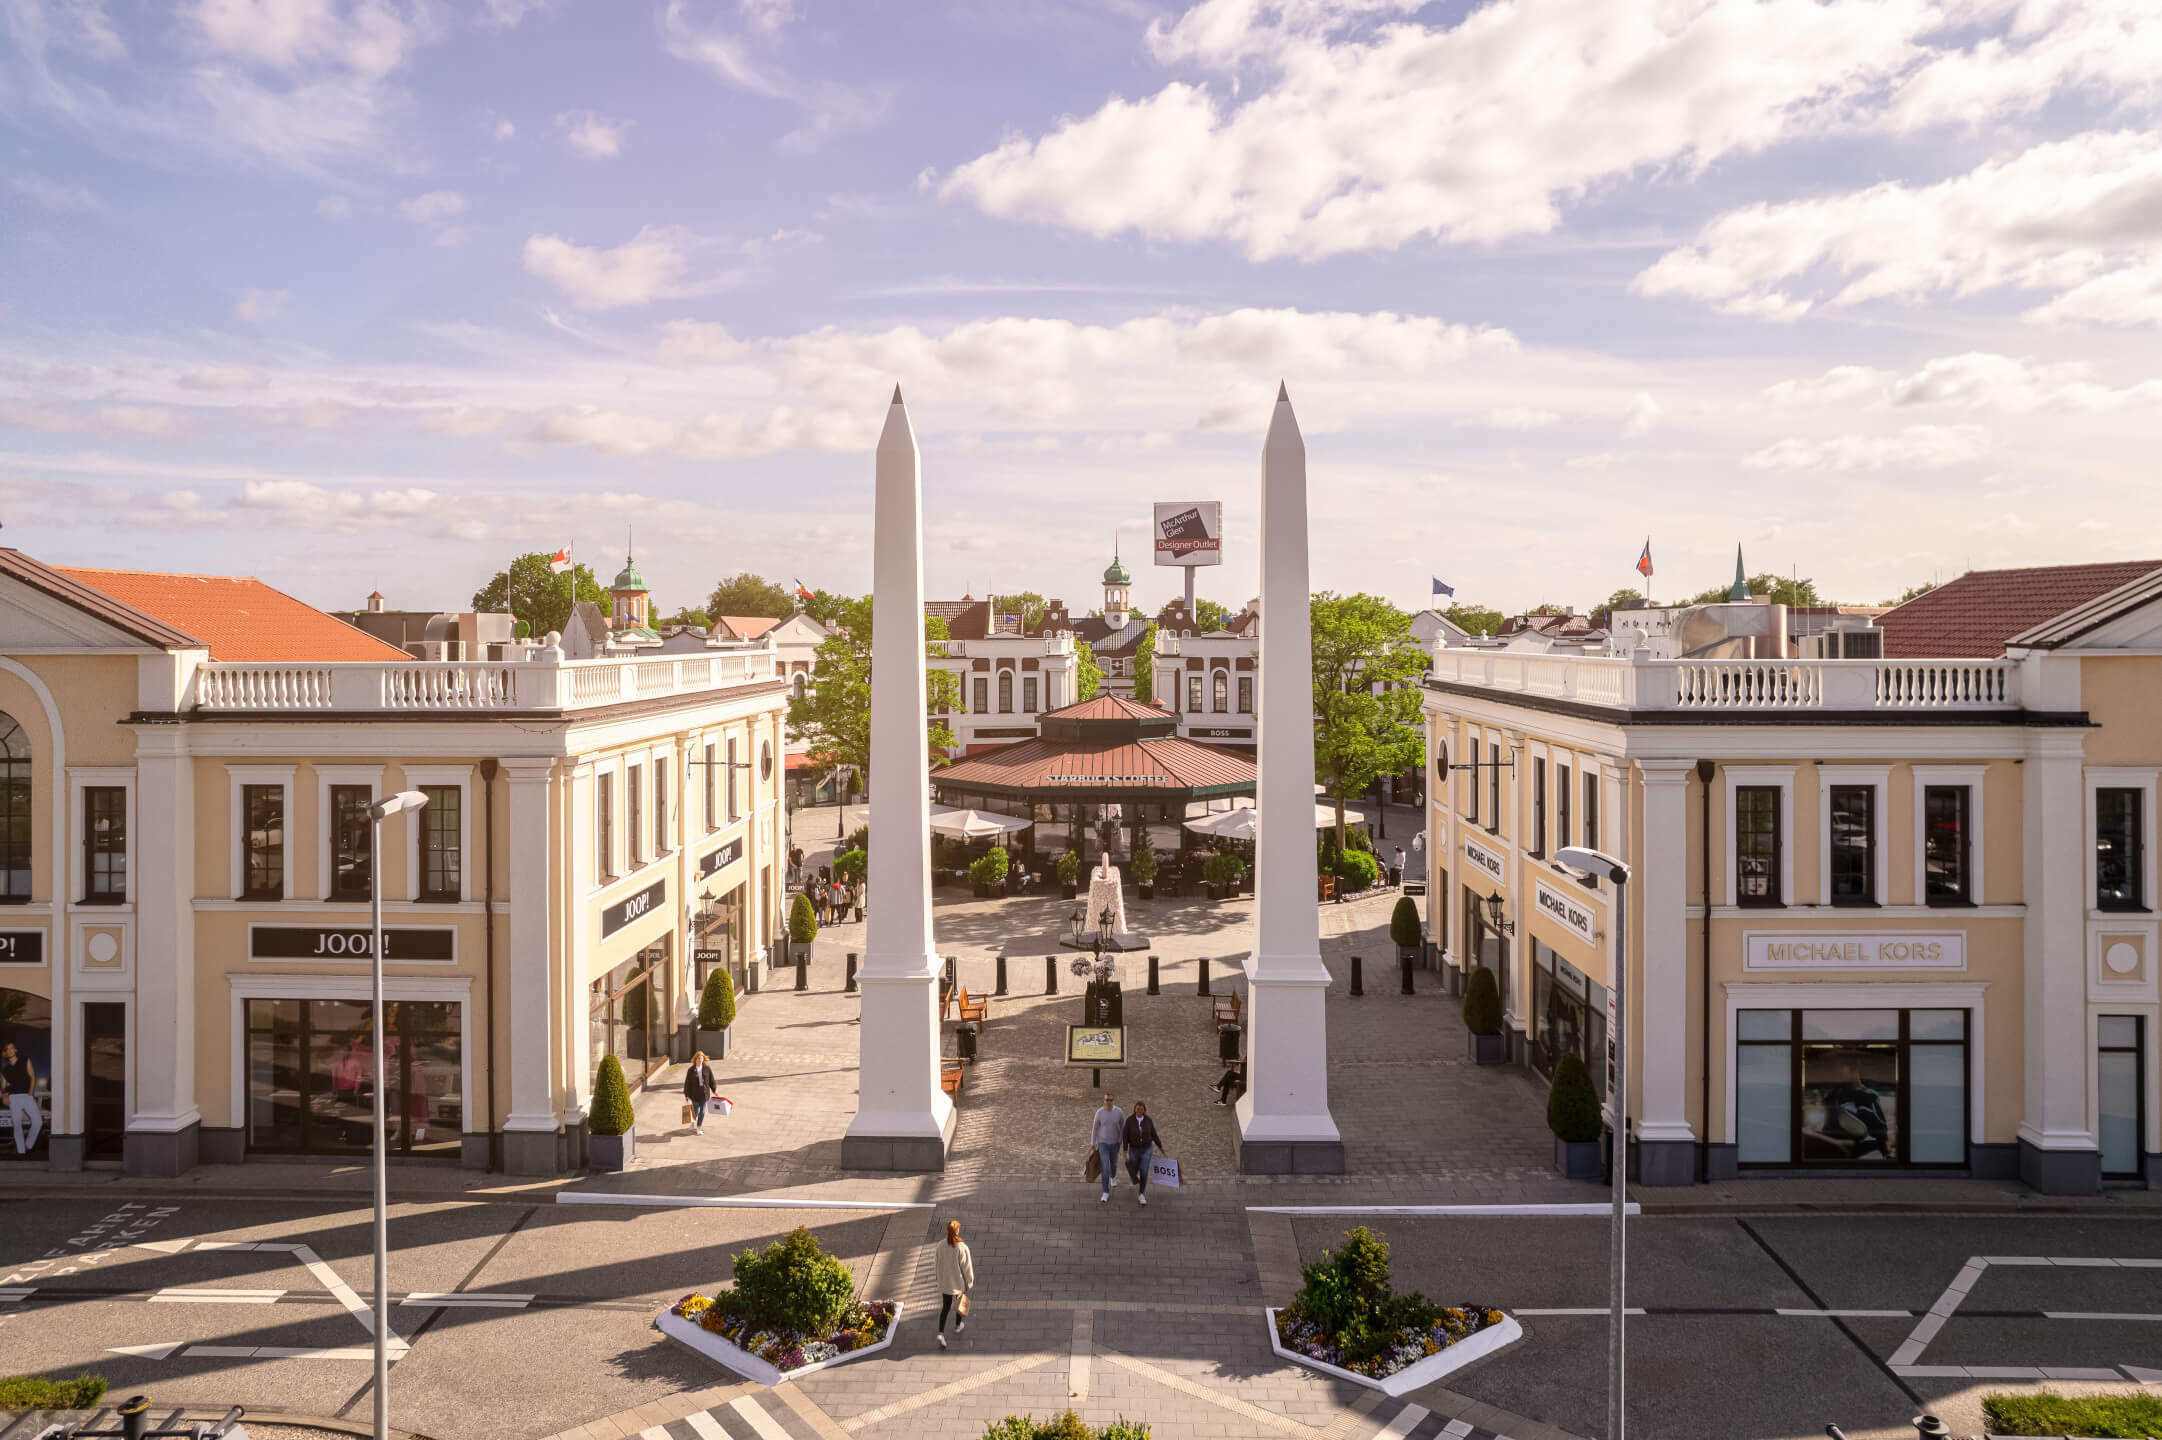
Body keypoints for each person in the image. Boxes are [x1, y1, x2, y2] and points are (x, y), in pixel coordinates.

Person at [933, 1219, 975, 1349]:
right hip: (958, 1283)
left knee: (945, 1307)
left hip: (945, 1282)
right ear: (957, 1230)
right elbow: (967, 1267)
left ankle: (941, 1333)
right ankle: (958, 1326)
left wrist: (938, 1278)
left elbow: (936, 1263)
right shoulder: (962, 1247)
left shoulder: (940, 1245)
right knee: (960, 1304)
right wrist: (969, 1281)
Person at [1, 1041, 41, 1156]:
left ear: (16, 1050)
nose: (10, 1050)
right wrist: (4, 1095)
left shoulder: (25, 1060)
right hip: (13, 1097)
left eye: (12, 1048)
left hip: (27, 1096)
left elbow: (33, 1077)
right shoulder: (5, 1069)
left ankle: (28, 1145)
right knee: (17, 1125)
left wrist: (30, 1094)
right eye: (7, 1049)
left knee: (37, 1122)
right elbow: (3, 1086)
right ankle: (21, 1152)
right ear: (6, 1053)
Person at [1123, 1101, 1164, 1206]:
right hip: (1134, 1149)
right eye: (1137, 1109)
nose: (1139, 1111)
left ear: (1144, 1110)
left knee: (1144, 1170)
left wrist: (1160, 1147)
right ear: (1134, 1109)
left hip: (1146, 1149)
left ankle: (1141, 1194)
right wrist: (1125, 1150)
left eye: (1141, 1109)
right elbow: (1125, 1135)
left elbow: (1154, 1135)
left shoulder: (1148, 1120)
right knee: (1134, 1166)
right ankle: (1133, 1178)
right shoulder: (1130, 1121)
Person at [1090, 1093, 1126, 1203]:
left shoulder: (1119, 1112)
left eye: (1110, 1100)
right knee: (1105, 1167)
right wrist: (1092, 1143)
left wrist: (1120, 1141)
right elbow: (1095, 1128)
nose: (1108, 1102)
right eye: (1106, 1100)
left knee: (1113, 1164)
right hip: (1103, 1144)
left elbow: (1123, 1126)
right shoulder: (1099, 1113)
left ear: (1113, 1100)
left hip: (1115, 1143)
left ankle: (1113, 1177)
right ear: (1104, 1100)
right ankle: (1105, 1192)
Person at [682, 1050, 719, 1134]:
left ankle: (698, 1127)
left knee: (702, 1112)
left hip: (704, 1094)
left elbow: (711, 1081)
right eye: (698, 1058)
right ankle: (692, 1122)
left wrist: (715, 1090)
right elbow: (687, 1083)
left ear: (703, 1059)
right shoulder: (691, 1070)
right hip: (694, 1094)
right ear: (695, 1059)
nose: (700, 1060)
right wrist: (686, 1094)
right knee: (696, 1111)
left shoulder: (707, 1068)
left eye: (701, 1058)